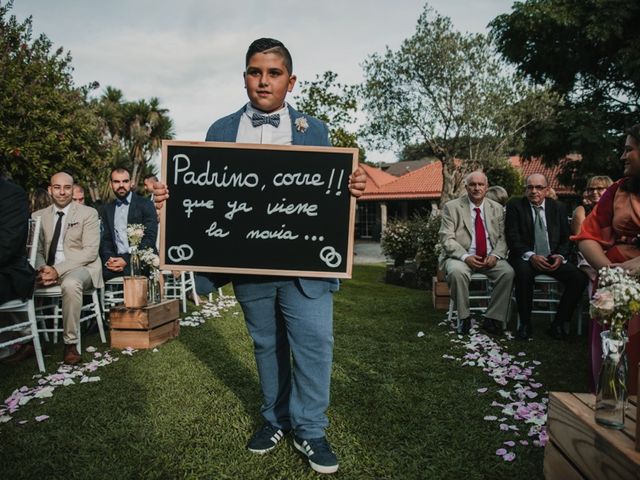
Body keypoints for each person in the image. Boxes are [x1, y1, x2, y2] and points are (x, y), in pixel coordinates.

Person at [154, 38, 366, 474]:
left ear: (290, 80)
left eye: (273, 73)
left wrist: (353, 188)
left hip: (305, 266)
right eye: (255, 72)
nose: (263, 80)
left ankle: (310, 429)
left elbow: (330, 194)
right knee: (266, 345)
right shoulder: (220, 131)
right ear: (245, 77)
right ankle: (275, 418)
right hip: (248, 262)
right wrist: (170, 198)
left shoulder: (318, 131)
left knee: (314, 344)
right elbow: (201, 197)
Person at [574, 124, 640, 394]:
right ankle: (612, 398)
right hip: (615, 277)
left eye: (629, 150)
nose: (623, 157)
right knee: (611, 350)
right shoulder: (617, 191)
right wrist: (609, 271)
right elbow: (587, 236)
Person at [505, 173, 588, 341]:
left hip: (552, 257)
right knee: (523, 274)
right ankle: (525, 324)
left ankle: (558, 323)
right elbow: (512, 237)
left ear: (547, 189)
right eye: (530, 187)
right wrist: (531, 255)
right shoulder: (515, 206)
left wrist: (559, 255)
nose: (534, 191)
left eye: (538, 187)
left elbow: (566, 238)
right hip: (525, 256)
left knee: (579, 278)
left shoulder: (558, 207)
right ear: (525, 189)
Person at [31, 172, 103, 364]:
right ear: (50, 190)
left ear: (72, 189)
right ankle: (28, 340)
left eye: (67, 187)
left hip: (82, 267)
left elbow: (89, 252)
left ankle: (70, 344)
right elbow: (35, 250)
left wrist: (58, 270)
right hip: (49, 269)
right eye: (57, 187)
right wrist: (42, 268)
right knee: (16, 281)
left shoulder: (88, 213)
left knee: (71, 284)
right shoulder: (38, 216)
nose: (62, 192)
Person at [438, 171, 514, 335]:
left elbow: (503, 237)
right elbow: (446, 238)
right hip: (461, 256)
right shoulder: (452, 207)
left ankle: (492, 318)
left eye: (480, 184)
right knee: (457, 272)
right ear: (466, 187)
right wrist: (465, 257)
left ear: (487, 187)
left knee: (508, 273)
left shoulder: (497, 209)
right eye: (472, 184)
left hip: (489, 257)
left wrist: (495, 255)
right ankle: (464, 318)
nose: (476, 188)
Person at [100, 167, 157, 280]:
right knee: (96, 275)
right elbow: (106, 240)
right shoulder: (108, 209)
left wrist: (126, 260)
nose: (121, 185)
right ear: (111, 184)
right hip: (116, 260)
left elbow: (150, 238)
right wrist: (110, 259)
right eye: (116, 181)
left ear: (131, 183)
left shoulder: (145, 204)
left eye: (125, 181)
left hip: (141, 260)